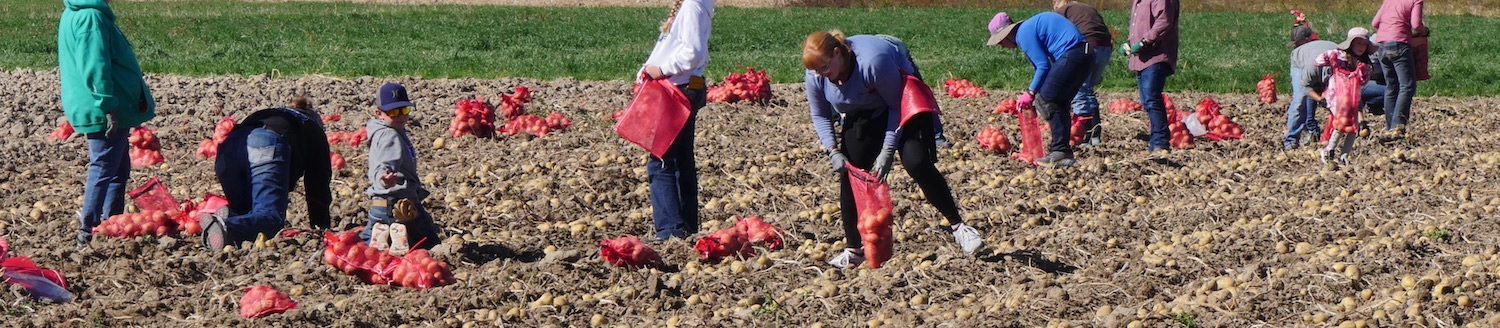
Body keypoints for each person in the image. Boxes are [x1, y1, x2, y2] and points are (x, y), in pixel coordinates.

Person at [803, 30, 985, 268]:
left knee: (916, 162)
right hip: (865, 110)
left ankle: (960, 227)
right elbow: (819, 114)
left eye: (825, 68)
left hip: (902, 102)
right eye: (817, 71)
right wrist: (832, 150)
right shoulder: (817, 74)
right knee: (850, 171)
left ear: (837, 53)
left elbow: (896, 106)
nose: (822, 75)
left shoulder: (872, 62)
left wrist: (887, 151)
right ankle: (855, 250)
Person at [59, 0, 156, 247]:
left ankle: (111, 222)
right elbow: (95, 65)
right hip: (104, 108)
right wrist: (108, 106)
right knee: (103, 167)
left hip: (105, 105)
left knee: (118, 169)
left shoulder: (78, 12)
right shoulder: (90, 17)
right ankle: (89, 230)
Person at [201, 104, 333, 250]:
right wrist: (321, 228)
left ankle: (230, 218)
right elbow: (318, 184)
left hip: (228, 151)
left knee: (247, 214)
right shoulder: (313, 128)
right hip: (263, 145)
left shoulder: (278, 115)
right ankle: (226, 226)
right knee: (271, 218)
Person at [639, 0, 713, 242]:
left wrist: (661, 68)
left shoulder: (692, 6)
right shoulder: (693, 4)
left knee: (661, 160)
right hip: (682, 87)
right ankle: (686, 227)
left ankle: (670, 229)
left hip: (675, 89)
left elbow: (693, 52)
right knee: (681, 160)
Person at [987, 12, 1095, 167]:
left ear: (1007, 34)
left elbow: (1044, 66)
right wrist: (1034, 91)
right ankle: (1063, 153)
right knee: (1059, 102)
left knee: (1047, 100)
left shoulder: (1023, 34)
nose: (1001, 46)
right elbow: (1041, 68)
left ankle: (1060, 151)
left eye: (1000, 41)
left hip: (1073, 54)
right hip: (1084, 55)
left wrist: (1030, 93)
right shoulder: (1027, 29)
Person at [362, 83, 441, 255]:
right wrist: (385, 178)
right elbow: (386, 162)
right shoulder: (390, 136)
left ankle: (378, 236)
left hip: (379, 206)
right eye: (393, 112)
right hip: (398, 204)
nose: (400, 116)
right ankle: (392, 234)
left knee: (366, 249)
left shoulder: (383, 130)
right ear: (378, 113)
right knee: (430, 244)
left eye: (404, 111)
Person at [1305, 28, 1374, 165]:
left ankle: (1344, 156)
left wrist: (1362, 71)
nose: (1361, 47)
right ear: (1350, 44)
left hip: (1352, 99)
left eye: (1363, 44)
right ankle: (1328, 150)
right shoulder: (1337, 55)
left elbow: (1364, 82)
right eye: (1358, 43)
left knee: (1353, 128)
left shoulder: (1363, 64)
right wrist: (1330, 62)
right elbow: (1318, 61)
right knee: (1342, 123)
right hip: (1336, 97)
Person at [1053, 0, 1114, 147]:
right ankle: (1095, 135)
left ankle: (1085, 135)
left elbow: (1057, 33)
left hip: (1088, 47)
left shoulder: (1064, 11)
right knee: (1088, 90)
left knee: (1079, 91)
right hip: (1105, 47)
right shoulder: (1087, 8)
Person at [1123, 0, 1180, 153]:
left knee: (1151, 98)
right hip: (1142, 58)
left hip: (1156, 56)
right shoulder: (1138, 1)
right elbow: (1138, 27)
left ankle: (1160, 141)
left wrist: (1143, 42)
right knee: (1147, 101)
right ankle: (1157, 139)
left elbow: (1163, 22)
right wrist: (1129, 42)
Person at [1371, 0, 1425, 138]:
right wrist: (1425, 31)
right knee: (1407, 86)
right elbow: (1416, 25)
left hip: (1382, 45)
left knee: (1391, 86)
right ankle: (1397, 126)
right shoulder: (1415, 0)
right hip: (1399, 45)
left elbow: (1375, 23)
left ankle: (1390, 127)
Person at [1284, 25, 1337, 150]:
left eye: (1298, 43)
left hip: (1326, 65)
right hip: (1302, 64)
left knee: (1337, 100)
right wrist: (1319, 98)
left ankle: (1332, 136)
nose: (1297, 45)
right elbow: (1305, 87)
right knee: (1300, 99)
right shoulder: (1307, 62)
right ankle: (1291, 140)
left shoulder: (1341, 64)